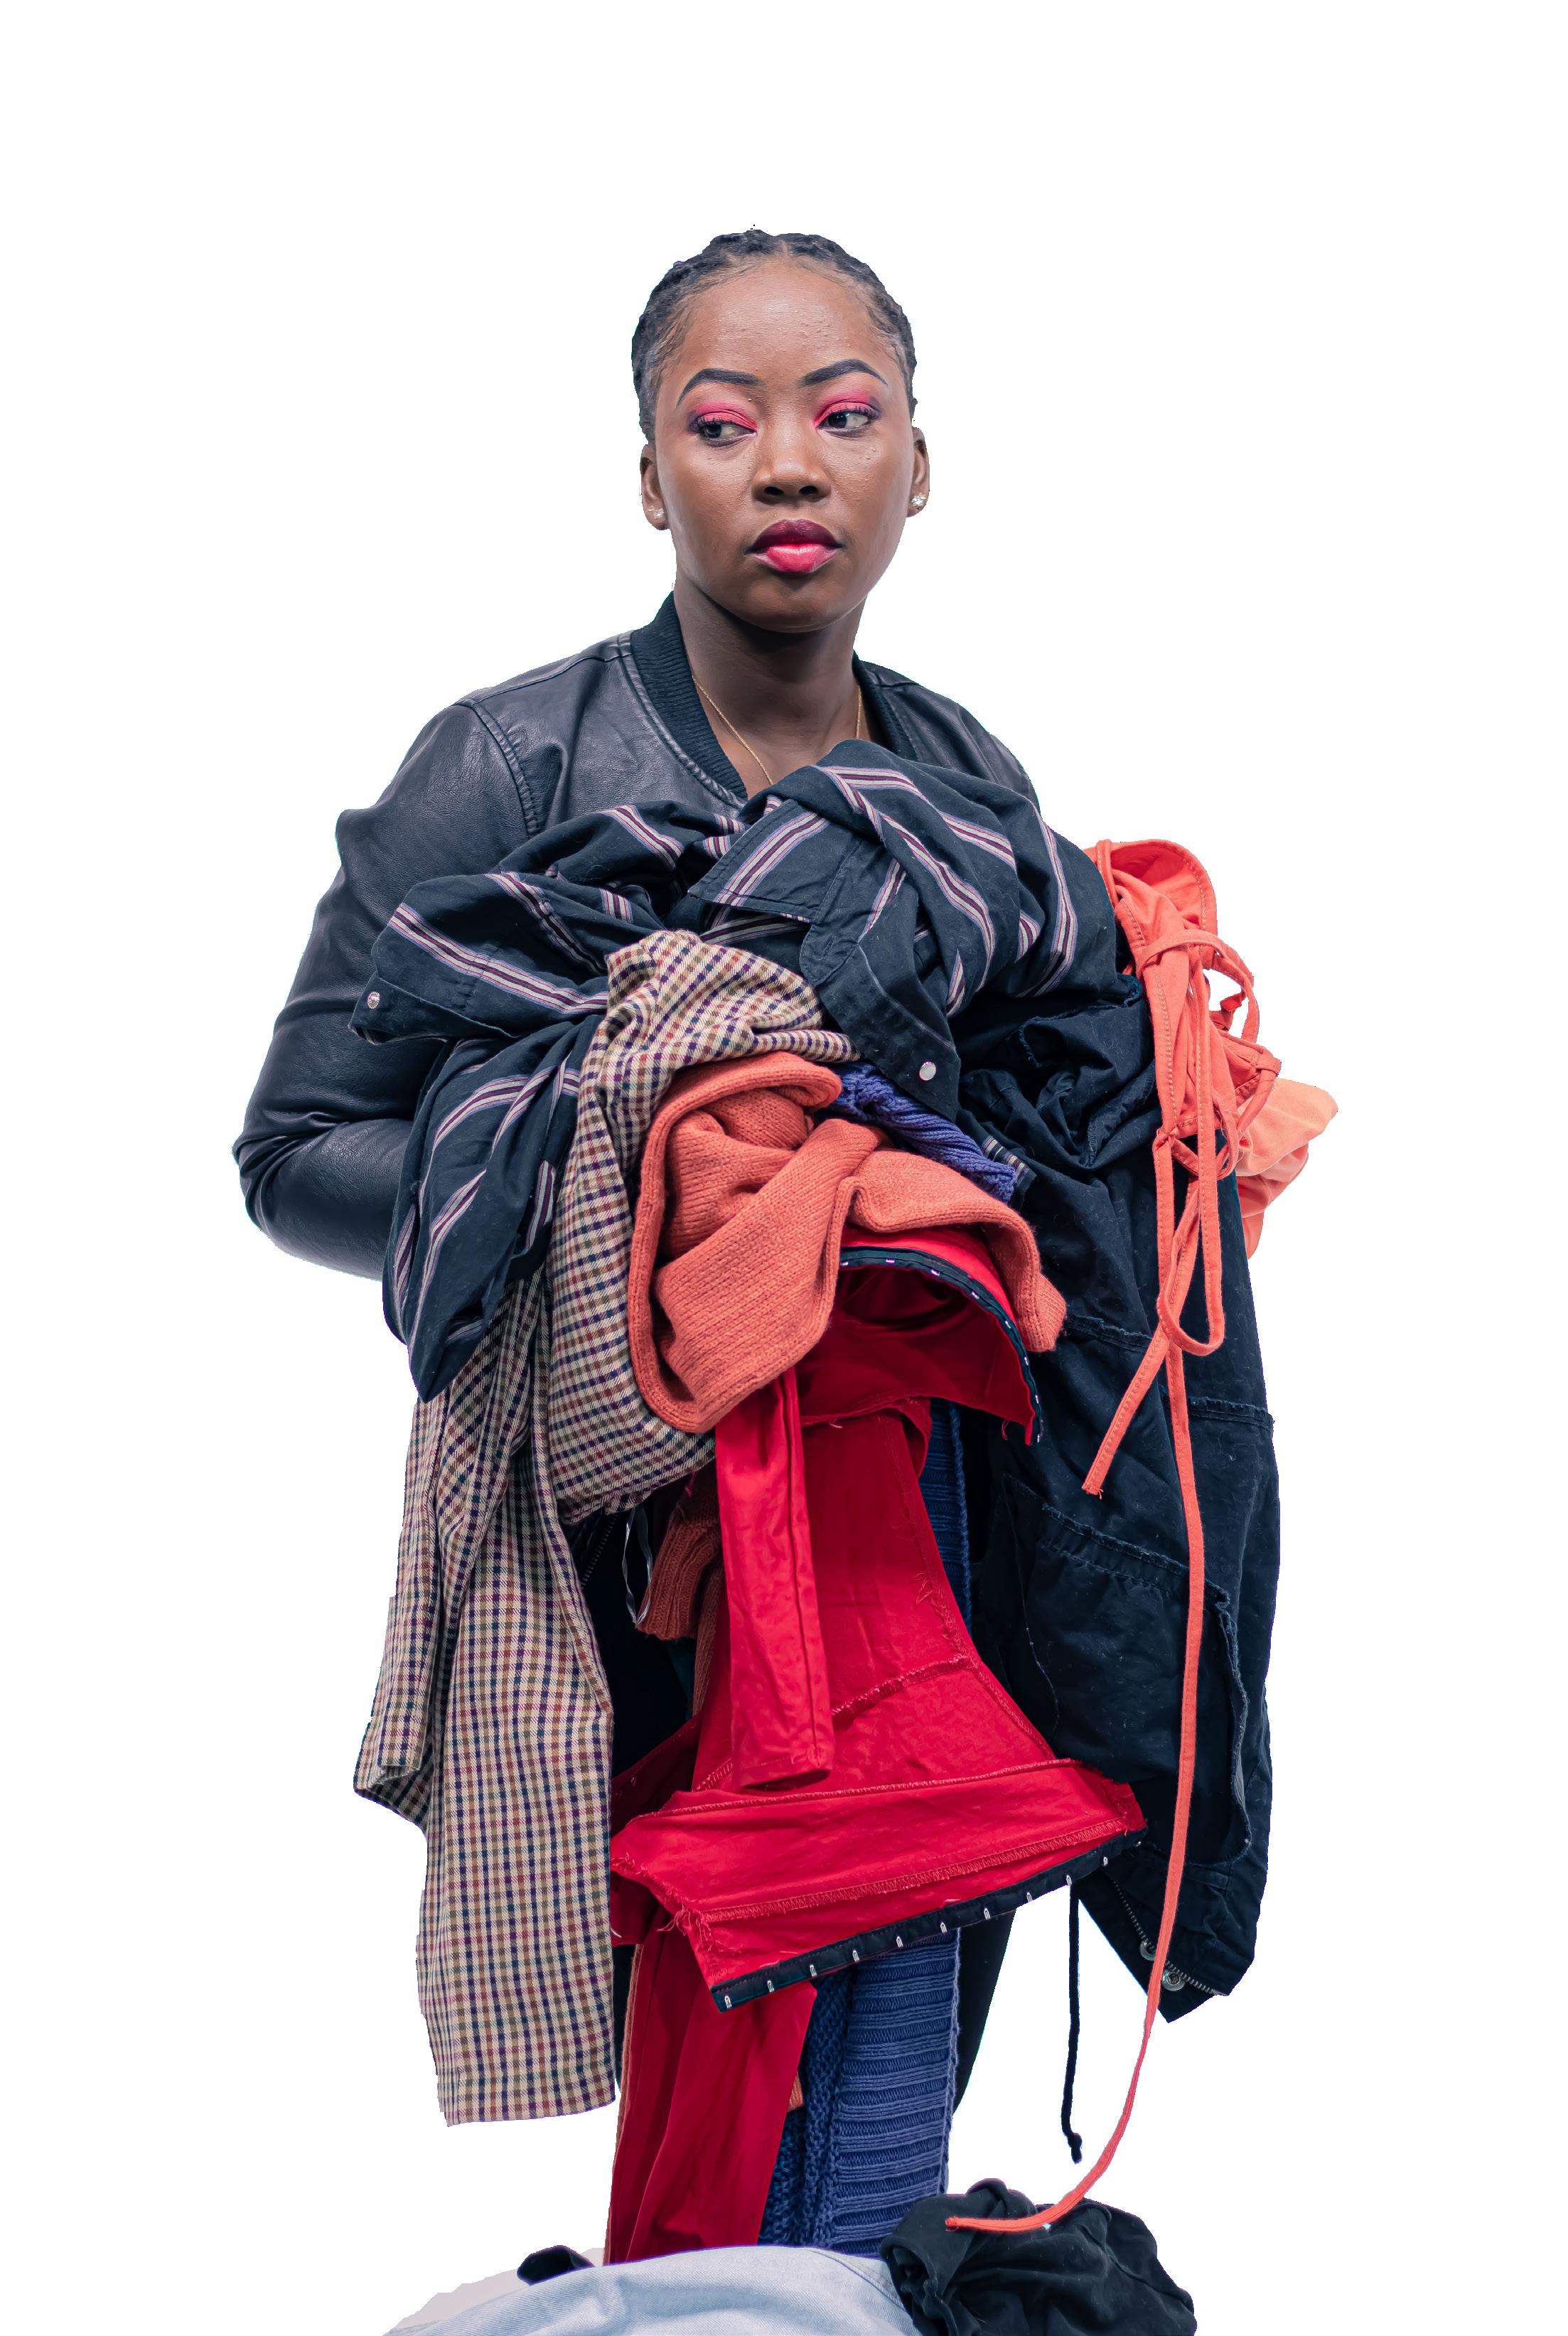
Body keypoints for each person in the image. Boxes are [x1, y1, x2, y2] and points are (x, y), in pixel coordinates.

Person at [234, 229, 1037, 1274]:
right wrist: (654, 1195)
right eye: (721, 427)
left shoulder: (970, 779)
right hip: (595, 1380)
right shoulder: (506, 763)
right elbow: (293, 1156)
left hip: (917, 1375)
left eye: (844, 417)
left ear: (916, 469)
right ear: (654, 483)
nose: (789, 470)